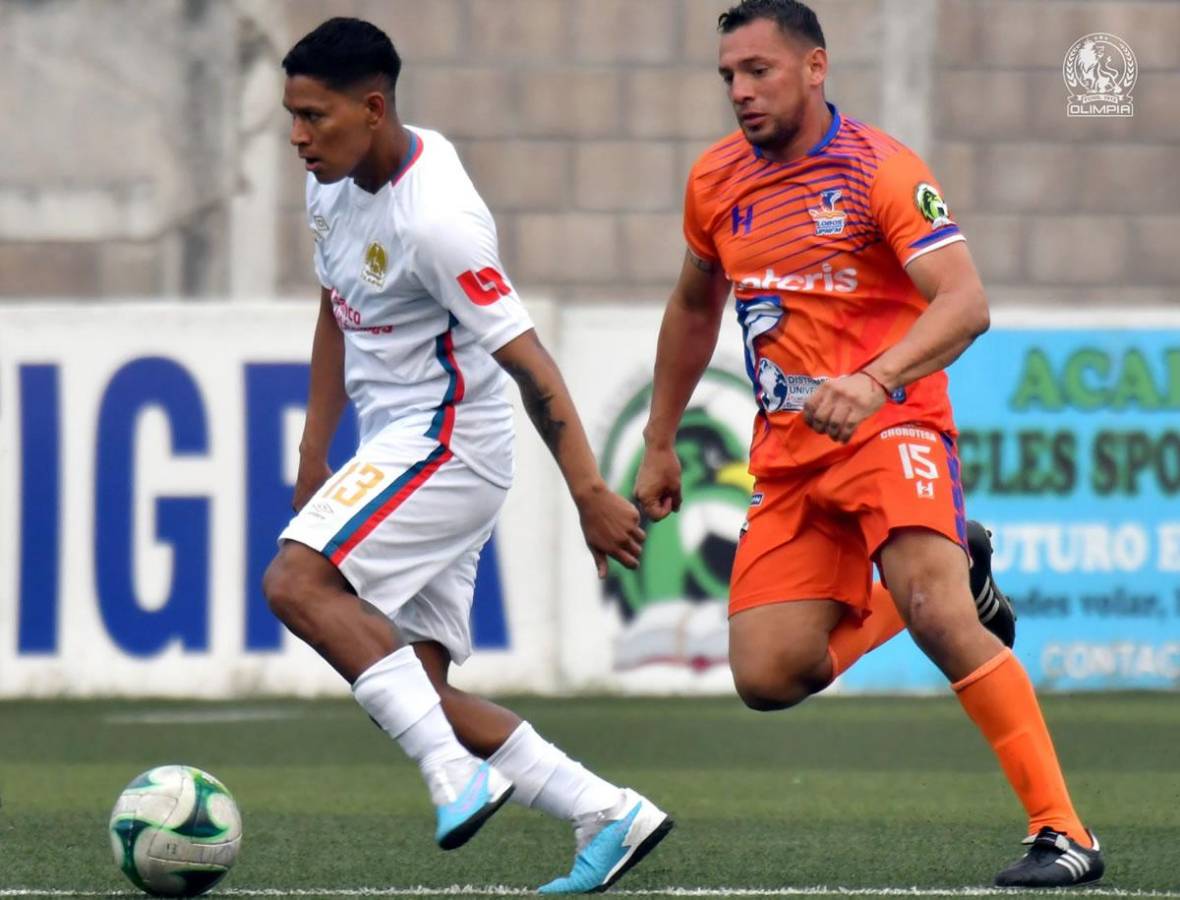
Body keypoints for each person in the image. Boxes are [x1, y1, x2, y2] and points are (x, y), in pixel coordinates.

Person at [633, 0, 1101, 888]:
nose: (740, 91)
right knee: (768, 676)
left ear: (816, 68)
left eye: (758, 71)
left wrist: (876, 379)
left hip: (894, 424)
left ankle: (1064, 833)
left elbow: (965, 302)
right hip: (788, 453)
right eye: (728, 76)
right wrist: (660, 439)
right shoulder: (714, 182)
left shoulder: (881, 168)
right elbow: (695, 307)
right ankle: (961, 563)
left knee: (938, 617)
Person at [262, 18, 671, 894]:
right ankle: (609, 812)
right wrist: (313, 445)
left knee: (296, 584)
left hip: (448, 441)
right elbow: (336, 302)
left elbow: (528, 361)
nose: (297, 137)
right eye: (291, 116)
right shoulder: (330, 183)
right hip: (401, 441)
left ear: (372, 109)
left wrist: (590, 491)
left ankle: (454, 777)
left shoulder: (439, 220)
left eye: (314, 117)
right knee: (419, 692)